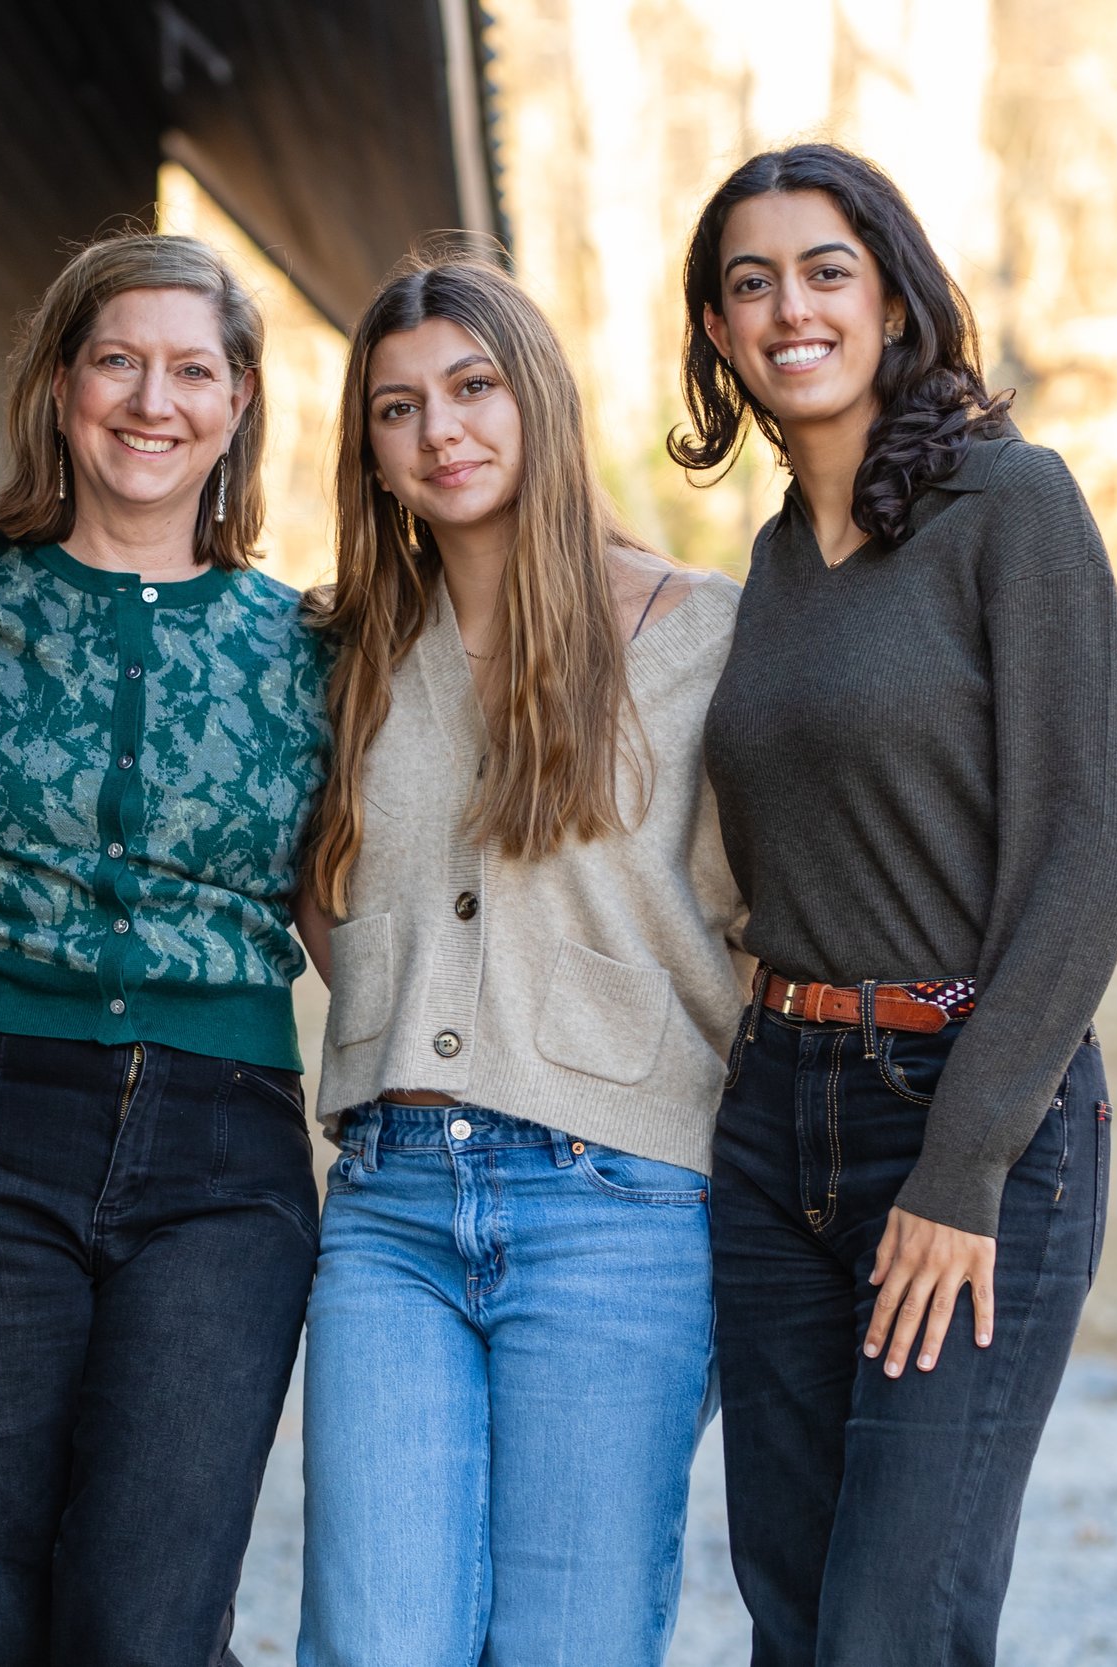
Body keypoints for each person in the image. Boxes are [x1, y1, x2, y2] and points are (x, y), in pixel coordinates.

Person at [674, 142, 1117, 1665]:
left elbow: (1092, 851)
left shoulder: (1010, 506)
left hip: (961, 1116)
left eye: (826, 271)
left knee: (894, 1627)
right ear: (716, 334)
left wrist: (959, 1174)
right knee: (795, 1617)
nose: (788, 308)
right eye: (749, 284)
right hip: (775, 1128)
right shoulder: (770, 565)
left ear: (893, 298)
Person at [0, 231, 330, 1664]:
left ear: (240, 405)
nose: (152, 400)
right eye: (118, 361)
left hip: (220, 1157)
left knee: (151, 1620)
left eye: (193, 370)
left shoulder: (312, 642)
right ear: (61, 386)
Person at [294, 253, 745, 1666]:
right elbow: (309, 880)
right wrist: (393, 985)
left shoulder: (703, 635)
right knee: (377, 1645)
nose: (442, 433)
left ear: (537, 395)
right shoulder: (346, 648)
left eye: (474, 387)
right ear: (367, 447)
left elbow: (759, 916)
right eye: (398, 408)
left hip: (621, 1208)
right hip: (390, 1209)